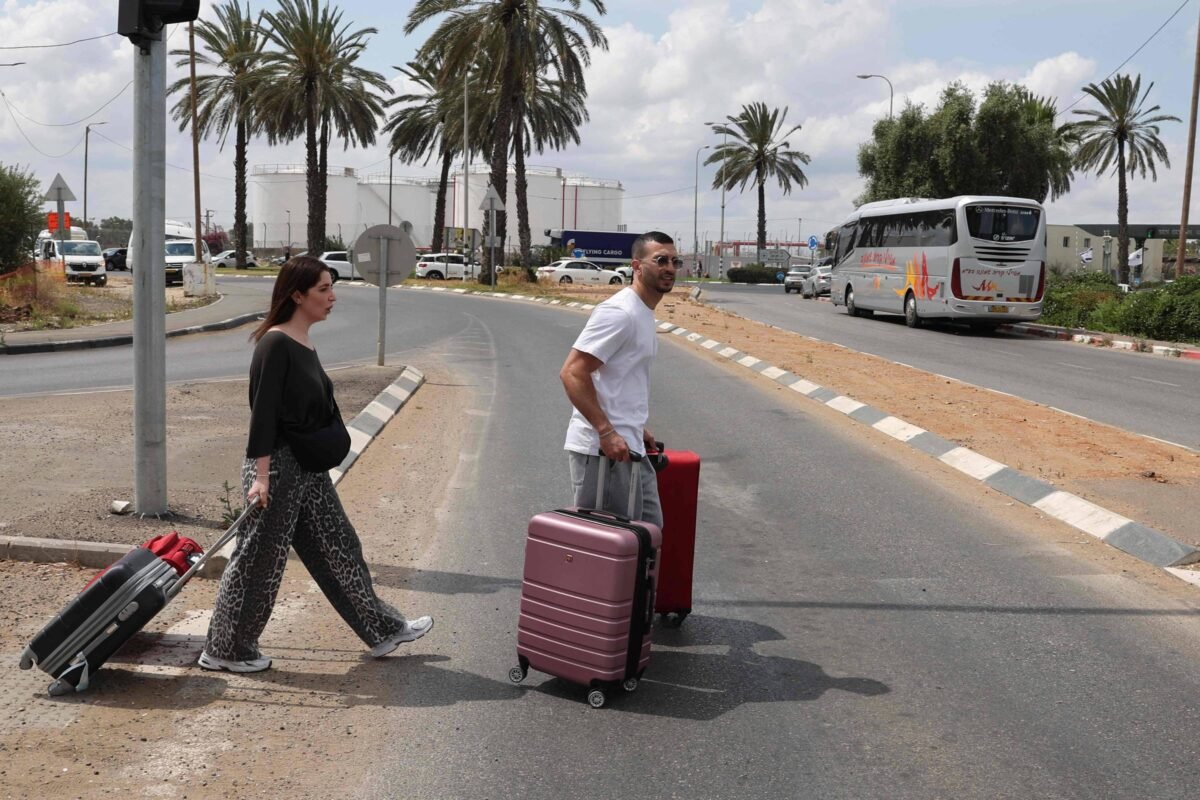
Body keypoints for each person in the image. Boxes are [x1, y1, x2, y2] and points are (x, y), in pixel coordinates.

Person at [199, 256, 432, 673]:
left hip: (306, 468)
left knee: (339, 545)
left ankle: (382, 629)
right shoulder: (275, 344)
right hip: (276, 471)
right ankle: (227, 648)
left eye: (331, 287)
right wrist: (263, 478)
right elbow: (263, 416)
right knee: (259, 563)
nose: (332, 296)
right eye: (323, 289)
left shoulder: (303, 341)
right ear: (296, 295)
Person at [559, 231, 681, 526]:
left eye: (675, 262)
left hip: (629, 443)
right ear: (637, 266)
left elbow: (622, 377)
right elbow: (573, 372)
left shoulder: (643, 311)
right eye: (660, 260)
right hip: (604, 452)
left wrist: (636, 427)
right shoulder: (619, 312)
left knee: (648, 534)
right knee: (607, 548)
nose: (669, 268)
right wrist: (606, 431)